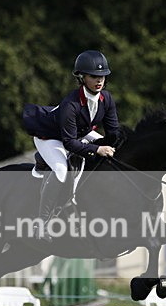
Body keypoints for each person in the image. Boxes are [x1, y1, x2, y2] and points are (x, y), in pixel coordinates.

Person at [23, 50, 121, 241]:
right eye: (93, 76)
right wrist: (97, 149)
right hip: (51, 137)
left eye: (102, 76)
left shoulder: (106, 99)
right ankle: (41, 224)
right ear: (82, 77)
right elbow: (69, 143)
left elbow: (113, 132)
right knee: (61, 169)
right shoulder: (71, 104)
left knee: (112, 155)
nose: (99, 80)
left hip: (79, 133)